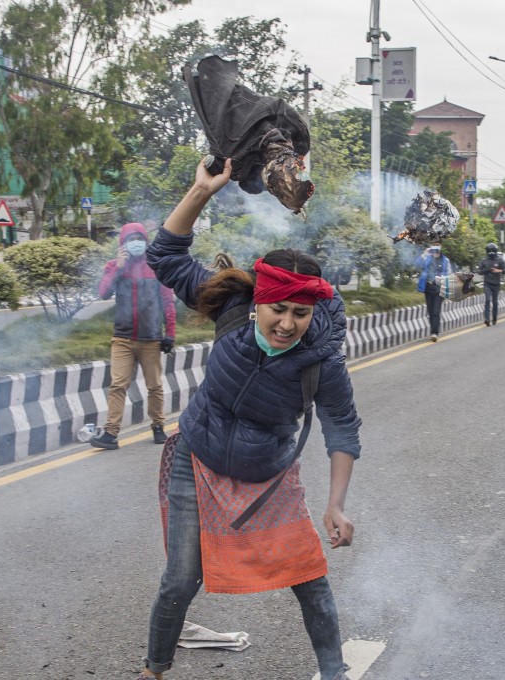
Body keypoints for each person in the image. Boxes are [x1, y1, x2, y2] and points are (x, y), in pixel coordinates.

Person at [138, 158, 361, 680]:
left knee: (310, 580)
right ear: (260, 300)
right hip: (197, 458)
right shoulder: (233, 307)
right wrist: (201, 190)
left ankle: (335, 674)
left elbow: (343, 429)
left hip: (268, 475)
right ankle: (153, 671)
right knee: (181, 579)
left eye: (300, 313)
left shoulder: (323, 361)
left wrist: (336, 504)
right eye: (278, 309)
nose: (286, 323)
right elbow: (164, 255)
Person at [89, 223, 177, 450]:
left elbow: (168, 302)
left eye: (140, 238)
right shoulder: (114, 266)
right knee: (117, 385)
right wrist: (119, 268)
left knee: (154, 385)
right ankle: (110, 433)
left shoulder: (156, 266)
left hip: (151, 338)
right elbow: (103, 293)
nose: (136, 242)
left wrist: (170, 334)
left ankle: (158, 426)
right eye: (131, 238)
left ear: (146, 241)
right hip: (122, 338)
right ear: (123, 243)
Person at [415, 243, 451, 341]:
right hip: (428, 288)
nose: (434, 251)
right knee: (430, 312)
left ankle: (434, 332)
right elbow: (417, 264)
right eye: (433, 249)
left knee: (436, 311)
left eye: (436, 248)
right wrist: (424, 254)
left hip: (439, 288)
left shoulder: (445, 260)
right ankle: (433, 331)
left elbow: (449, 274)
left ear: (439, 249)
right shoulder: (427, 258)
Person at [476, 243, 505, 326]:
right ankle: (487, 318)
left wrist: (499, 271)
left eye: (492, 251)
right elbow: (479, 271)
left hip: (496, 284)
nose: (491, 253)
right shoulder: (484, 260)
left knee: (495, 301)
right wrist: (487, 270)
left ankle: (494, 318)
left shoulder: (500, 260)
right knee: (487, 300)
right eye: (489, 251)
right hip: (487, 283)